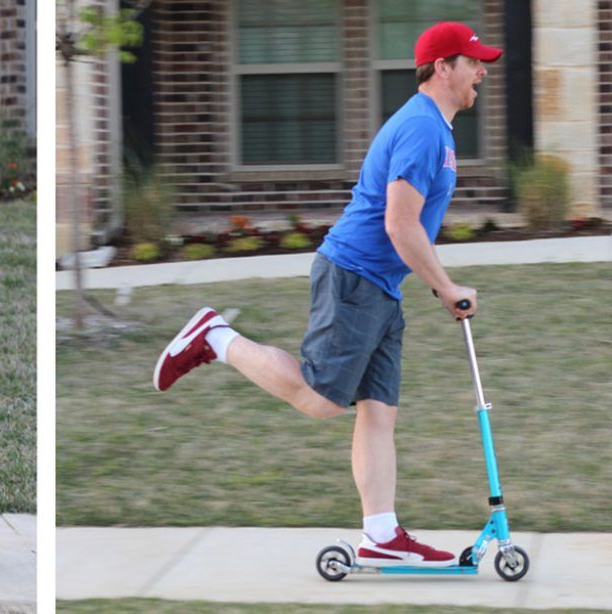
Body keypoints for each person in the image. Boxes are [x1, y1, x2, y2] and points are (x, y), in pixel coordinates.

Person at [153, 22, 501, 568]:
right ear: (442, 67)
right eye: (473, 61)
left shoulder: (435, 128)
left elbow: (409, 227)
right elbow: (399, 224)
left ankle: (381, 534)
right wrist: (446, 287)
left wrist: (437, 284)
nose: (482, 70)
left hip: (380, 287)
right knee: (321, 399)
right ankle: (215, 337)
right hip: (354, 276)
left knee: (379, 412)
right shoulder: (422, 128)